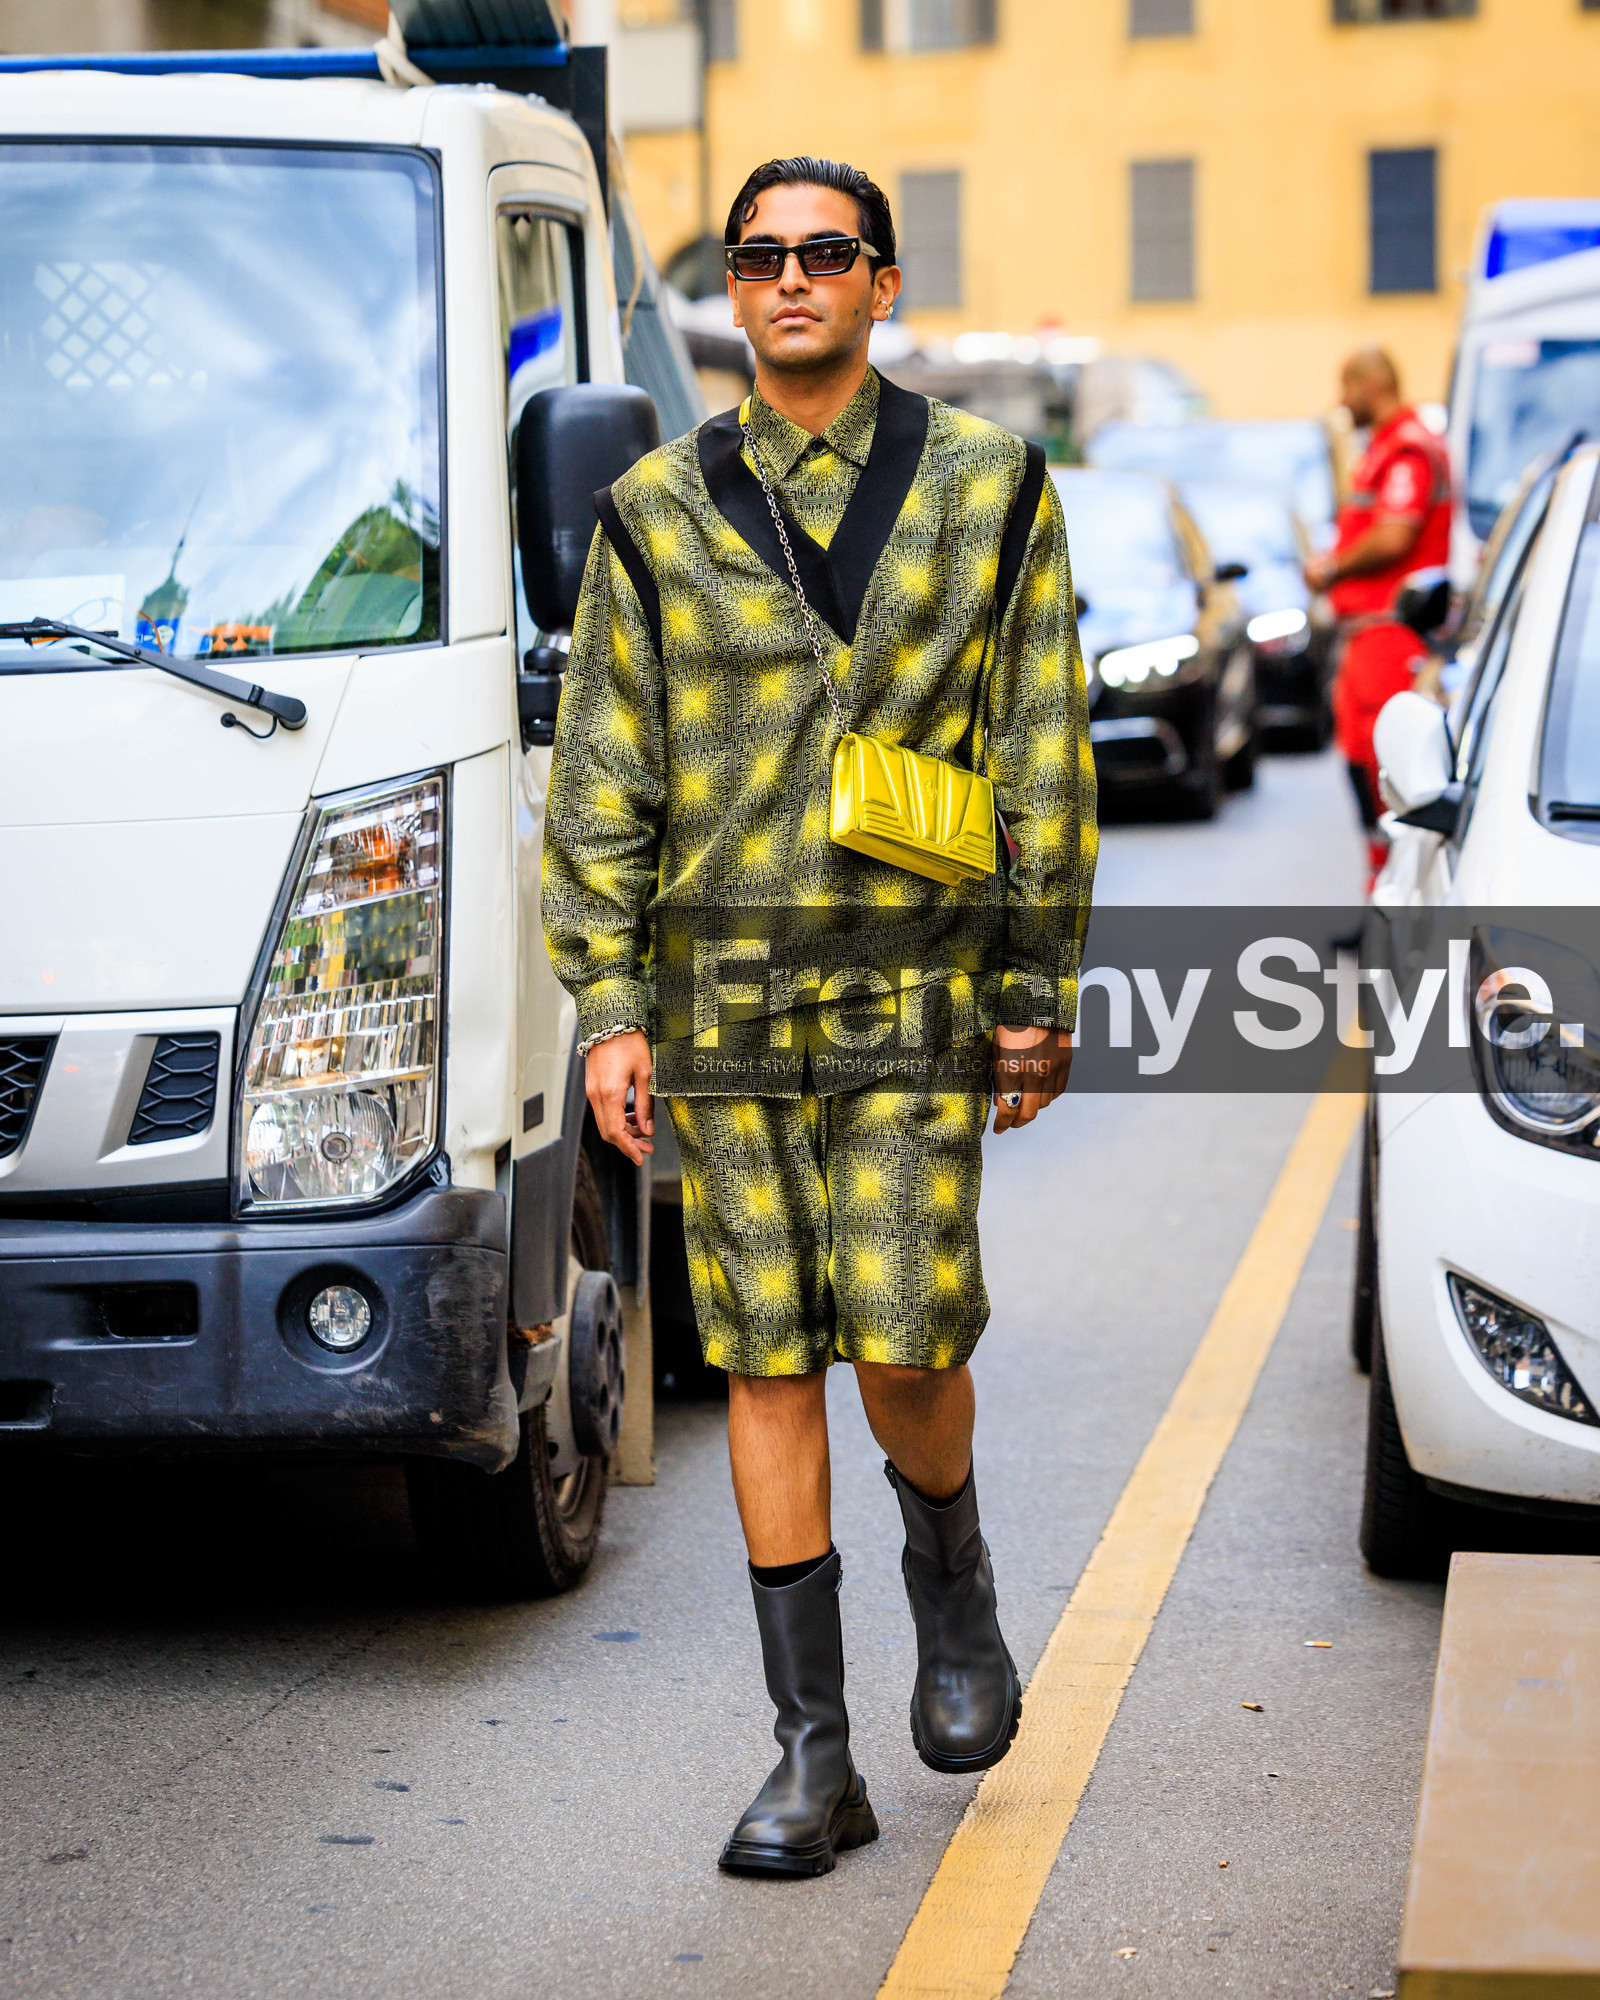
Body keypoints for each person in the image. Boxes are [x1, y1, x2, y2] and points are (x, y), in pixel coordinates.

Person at [541, 156, 1095, 1879]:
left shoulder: (994, 489)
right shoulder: (655, 510)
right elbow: (605, 772)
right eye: (764, 255)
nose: (790, 277)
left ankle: (956, 1585)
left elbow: (1045, 752)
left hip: (919, 993)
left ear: (880, 280)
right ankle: (812, 1753)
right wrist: (611, 1004)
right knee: (771, 1357)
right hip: (727, 1004)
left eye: (824, 253)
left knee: (906, 1341)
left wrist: (1036, 990)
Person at [1305, 347, 1452, 887]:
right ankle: (1379, 895)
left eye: (1347, 389)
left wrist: (1331, 569)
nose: (1343, 402)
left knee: (1381, 765)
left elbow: (1395, 535)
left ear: (1369, 385)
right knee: (1360, 766)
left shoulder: (1407, 451)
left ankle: (1391, 894)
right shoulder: (1387, 448)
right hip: (1369, 637)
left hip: (1390, 635)